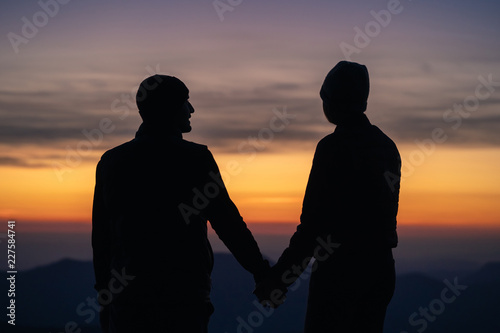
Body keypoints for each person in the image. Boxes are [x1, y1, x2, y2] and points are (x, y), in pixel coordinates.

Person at [92, 74, 270, 333]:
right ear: (169, 108)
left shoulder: (112, 162)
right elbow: (228, 223)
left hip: (129, 301)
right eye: (185, 102)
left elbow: (103, 237)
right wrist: (261, 272)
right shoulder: (196, 159)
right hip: (184, 297)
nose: (192, 109)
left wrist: (105, 298)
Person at [254, 61, 401, 332]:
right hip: (381, 270)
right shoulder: (387, 146)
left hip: (341, 272)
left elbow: (313, 225)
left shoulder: (333, 147)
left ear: (332, 101)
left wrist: (280, 281)